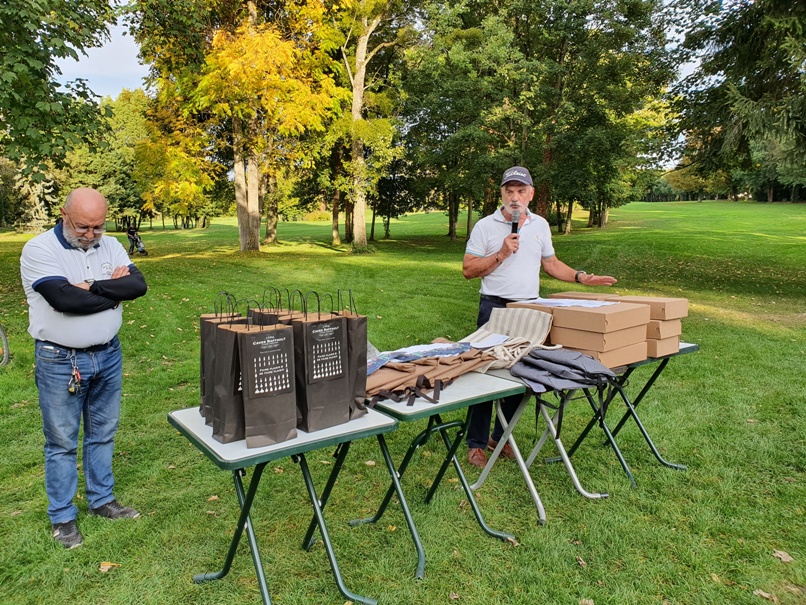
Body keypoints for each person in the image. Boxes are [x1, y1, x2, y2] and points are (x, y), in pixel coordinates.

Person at [462, 166, 617, 468]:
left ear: (531, 194)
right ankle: (476, 444)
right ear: (501, 194)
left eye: (521, 191)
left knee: (523, 374)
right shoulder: (485, 226)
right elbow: (468, 270)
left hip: (530, 311)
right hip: (494, 308)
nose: (515, 197)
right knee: (484, 374)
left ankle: (499, 438)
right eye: (509, 191)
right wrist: (501, 254)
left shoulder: (541, 225)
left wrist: (582, 278)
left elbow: (551, 264)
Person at [20, 188, 148, 549]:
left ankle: (102, 500)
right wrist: (113, 292)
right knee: (61, 441)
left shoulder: (111, 245)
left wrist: (91, 286)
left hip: (108, 354)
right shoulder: (40, 249)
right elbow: (64, 299)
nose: (91, 234)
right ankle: (62, 518)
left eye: (98, 226)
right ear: (64, 215)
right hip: (60, 360)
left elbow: (137, 285)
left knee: (103, 432)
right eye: (82, 226)